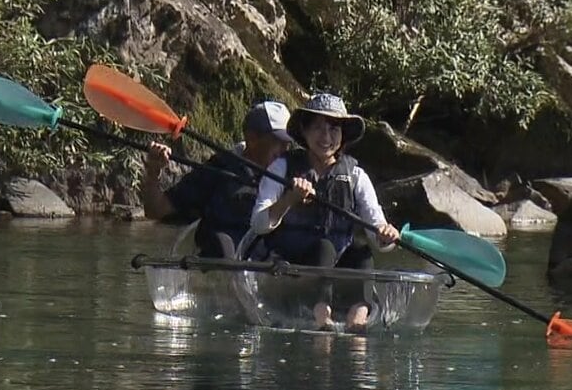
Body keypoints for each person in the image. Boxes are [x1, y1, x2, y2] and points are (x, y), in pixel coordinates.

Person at [250, 94, 401, 331]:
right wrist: (289, 199)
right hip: (293, 262)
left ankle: (357, 320)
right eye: (318, 128)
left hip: (335, 264)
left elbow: (377, 234)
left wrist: (386, 235)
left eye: (333, 129)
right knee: (324, 247)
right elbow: (259, 224)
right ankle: (324, 321)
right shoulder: (282, 167)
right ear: (304, 131)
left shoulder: (355, 175)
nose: (326, 137)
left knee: (361, 254)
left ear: (342, 135)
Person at [143, 101, 292, 258]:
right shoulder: (217, 170)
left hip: (269, 269)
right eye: (278, 141)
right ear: (252, 138)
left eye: (288, 143)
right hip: (219, 268)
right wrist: (154, 171)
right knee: (222, 244)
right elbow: (156, 210)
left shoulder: (293, 172)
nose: (285, 149)